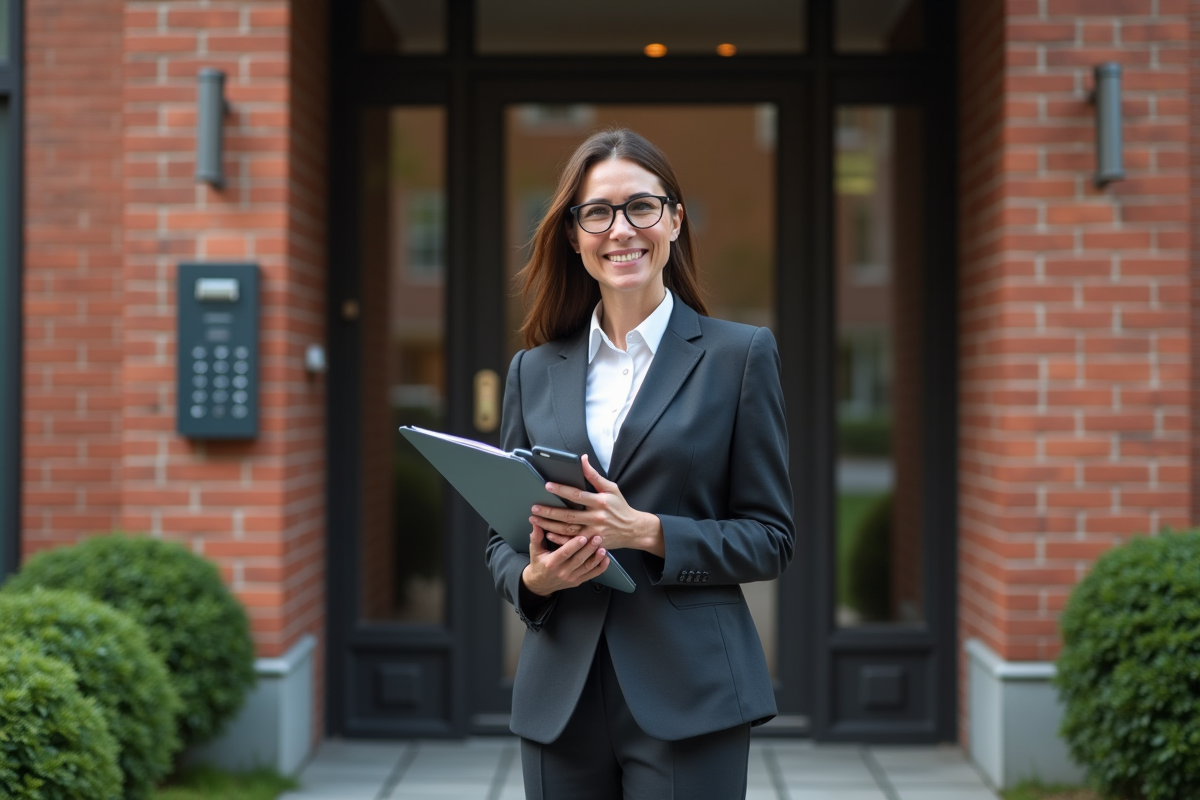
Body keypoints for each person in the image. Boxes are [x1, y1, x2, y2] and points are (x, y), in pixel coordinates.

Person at [485, 128, 795, 800]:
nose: (620, 229)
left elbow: (771, 539)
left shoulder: (739, 357)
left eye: (641, 207)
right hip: (560, 696)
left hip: (692, 691)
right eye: (598, 212)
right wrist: (535, 578)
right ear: (575, 236)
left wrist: (648, 531)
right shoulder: (532, 370)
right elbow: (501, 542)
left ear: (675, 221)